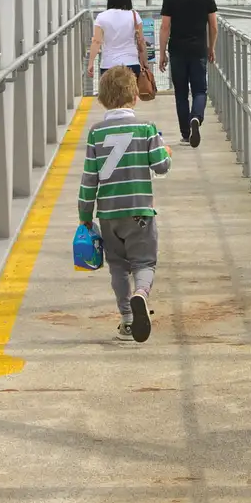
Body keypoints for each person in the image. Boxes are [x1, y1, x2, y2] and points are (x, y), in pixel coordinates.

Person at [78, 66, 173, 343]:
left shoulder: (95, 133)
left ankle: (127, 320)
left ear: (103, 99)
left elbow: (88, 180)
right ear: (134, 97)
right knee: (144, 262)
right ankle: (141, 295)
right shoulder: (146, 129)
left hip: (109, 215)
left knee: (118, 267)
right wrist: (166, 150)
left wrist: (85, 215)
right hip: (139, 211)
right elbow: (161, 165)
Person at [158, 0, 218, 148]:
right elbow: (214, 26)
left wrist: (161, 53)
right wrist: (211, 47)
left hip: (177, 51)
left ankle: (185, 133)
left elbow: (165, 27)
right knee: (200, 90)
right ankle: (196, 118)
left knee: (181, 93)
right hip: (199, 49)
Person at [86, 0, 149, 80]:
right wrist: (145, 61)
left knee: (110, 94)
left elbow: (96, 41)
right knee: (131, 94)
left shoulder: (101, 17)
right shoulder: (134, 15)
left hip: (108, 64)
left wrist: (90, 63)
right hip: (131, 63)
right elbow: (141, 41)